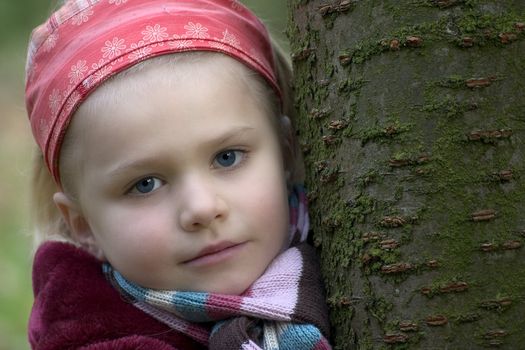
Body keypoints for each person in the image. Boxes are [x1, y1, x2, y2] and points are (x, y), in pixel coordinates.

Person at [25, 1, 331, 349]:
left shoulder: (343, 250)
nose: (201, 208)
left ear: (285, 151)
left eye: (227, 158)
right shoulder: (91, 333)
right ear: (84, 225)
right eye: (145, 184)